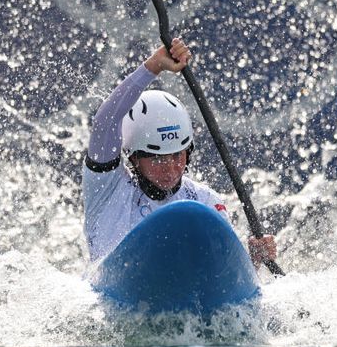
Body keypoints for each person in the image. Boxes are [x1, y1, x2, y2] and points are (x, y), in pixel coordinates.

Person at [81, 37, 277, 268]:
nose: (171, 168)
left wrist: (251, 263)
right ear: (133, 157)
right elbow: (106, 121)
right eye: (157, 158)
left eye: (177, 155)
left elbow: (225, 279)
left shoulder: (205, 202)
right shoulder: (107, 190)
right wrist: (153, 66)